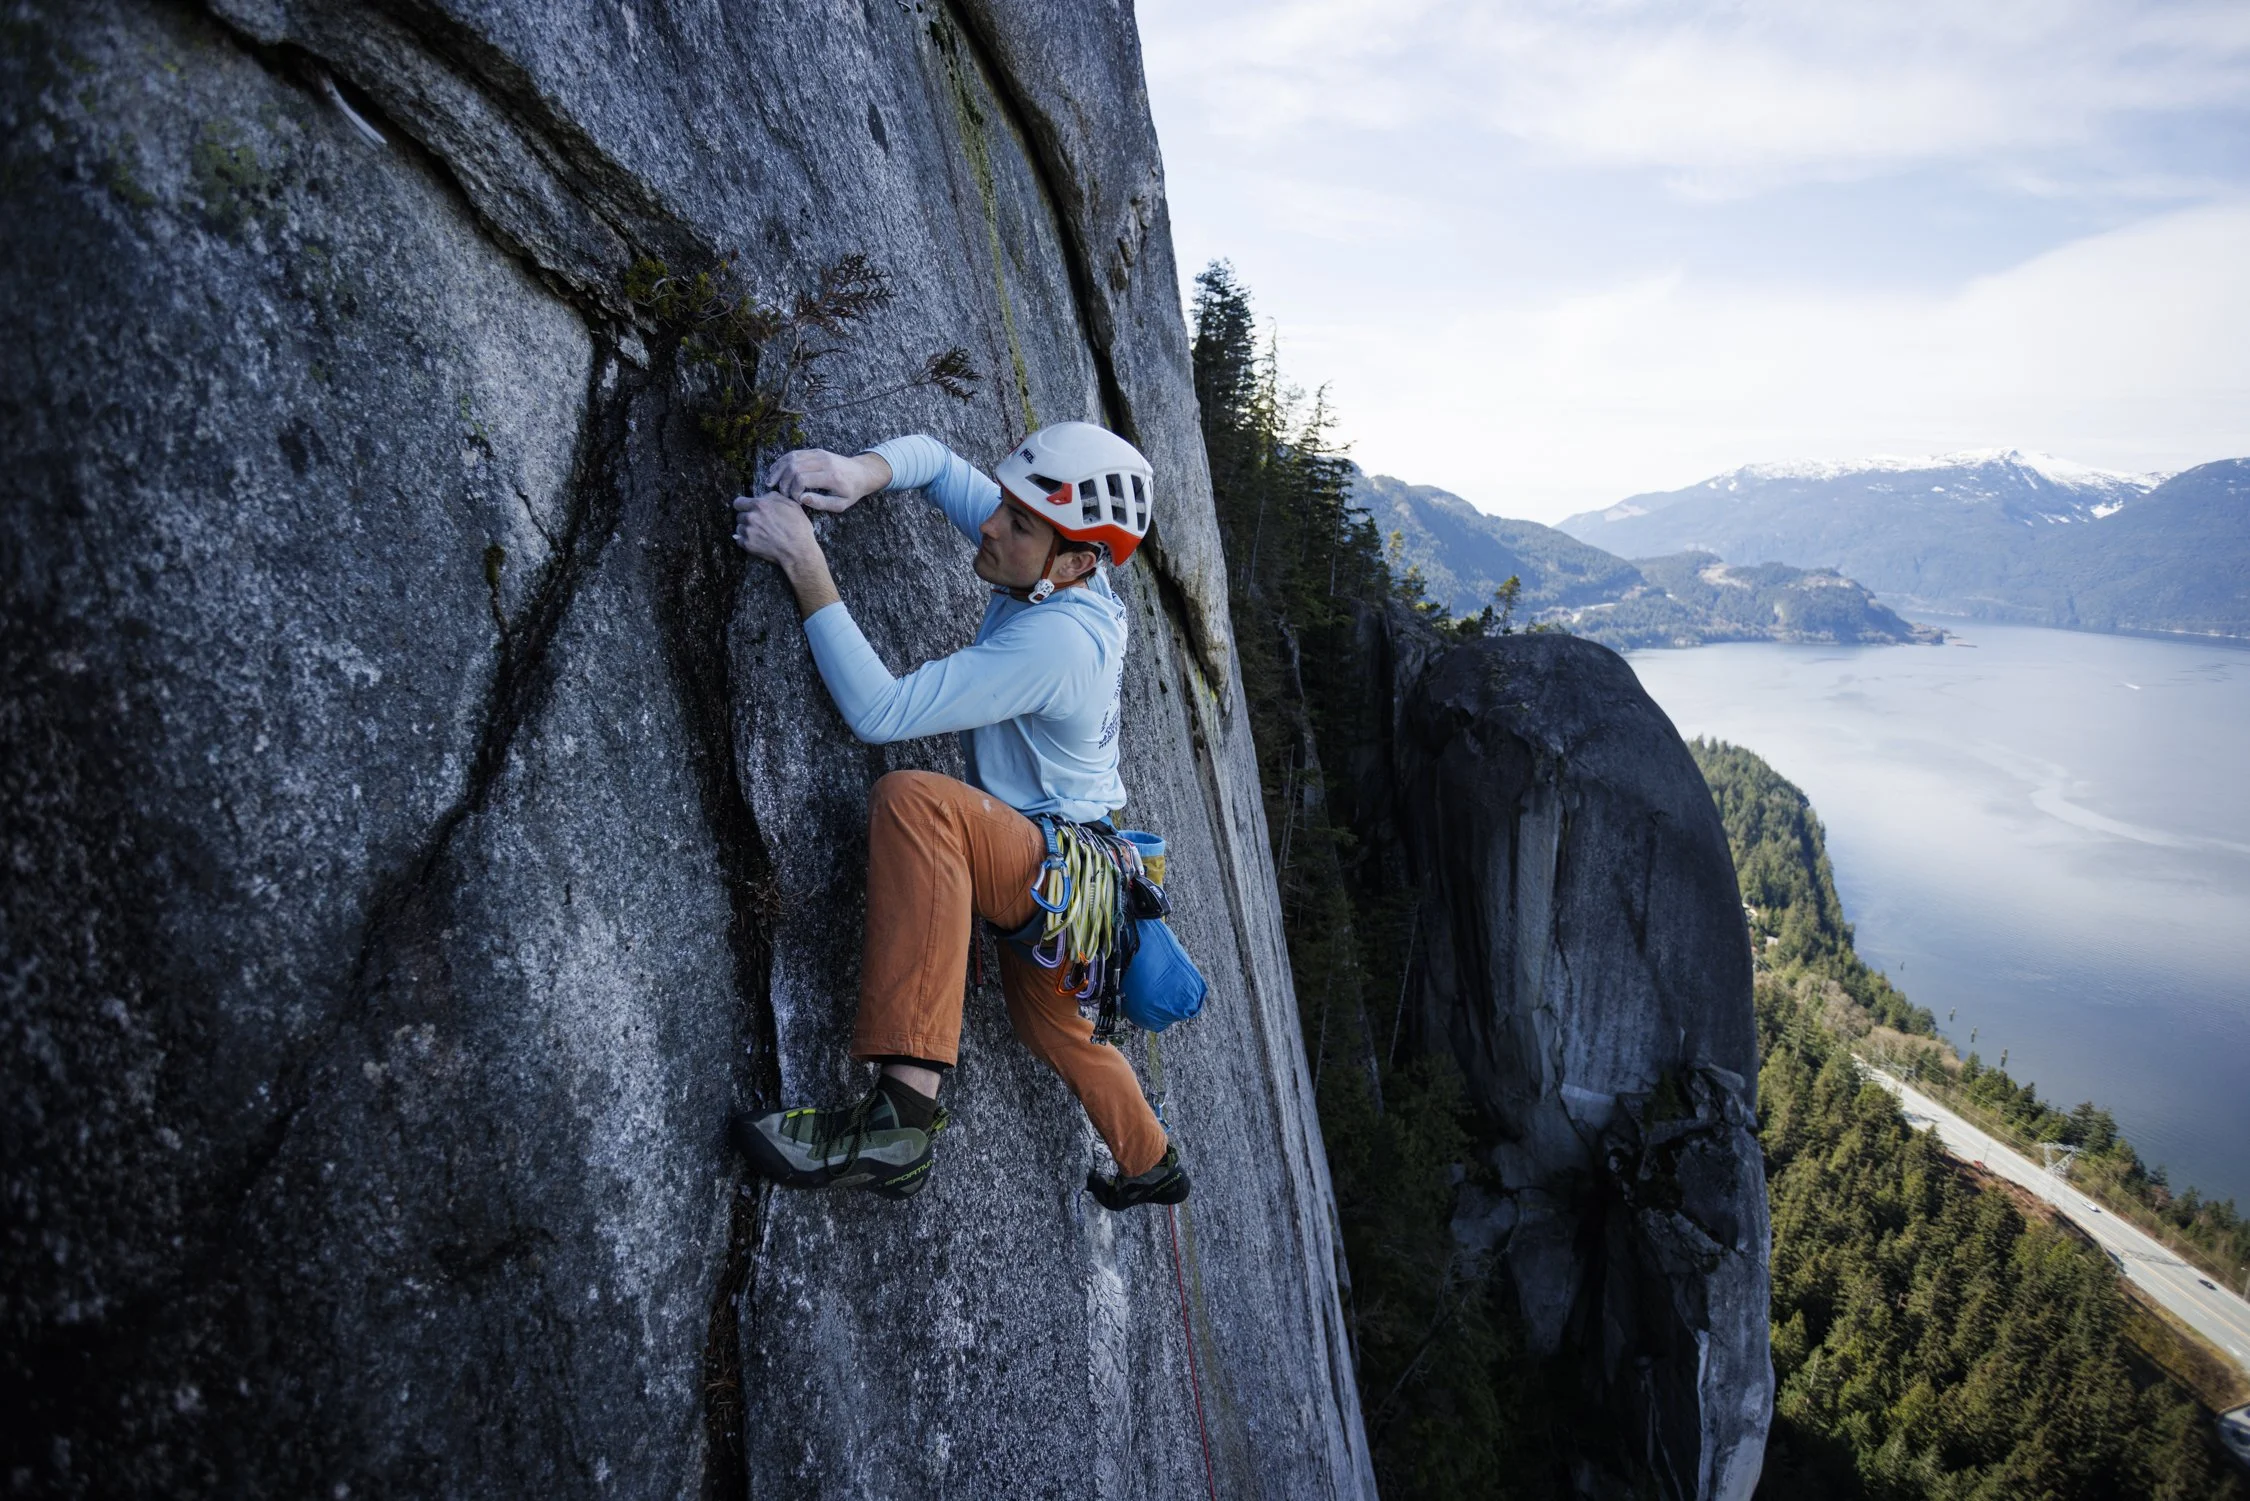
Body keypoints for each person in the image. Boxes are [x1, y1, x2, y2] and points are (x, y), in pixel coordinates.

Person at [726, 424, 1189, 1211]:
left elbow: (879, 710)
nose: (991, 522)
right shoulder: (1062, 566)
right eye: (1004, 504)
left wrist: (805, 562)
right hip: (1081, 875)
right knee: (1053, 1027)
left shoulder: (1060, 643)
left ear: (1074, 562)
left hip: (1054, 860)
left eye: (1017, 522)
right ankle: (1152, 1162)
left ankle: (900, 1121)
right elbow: (938, 461)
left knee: (919, 805)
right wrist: (858, 472)